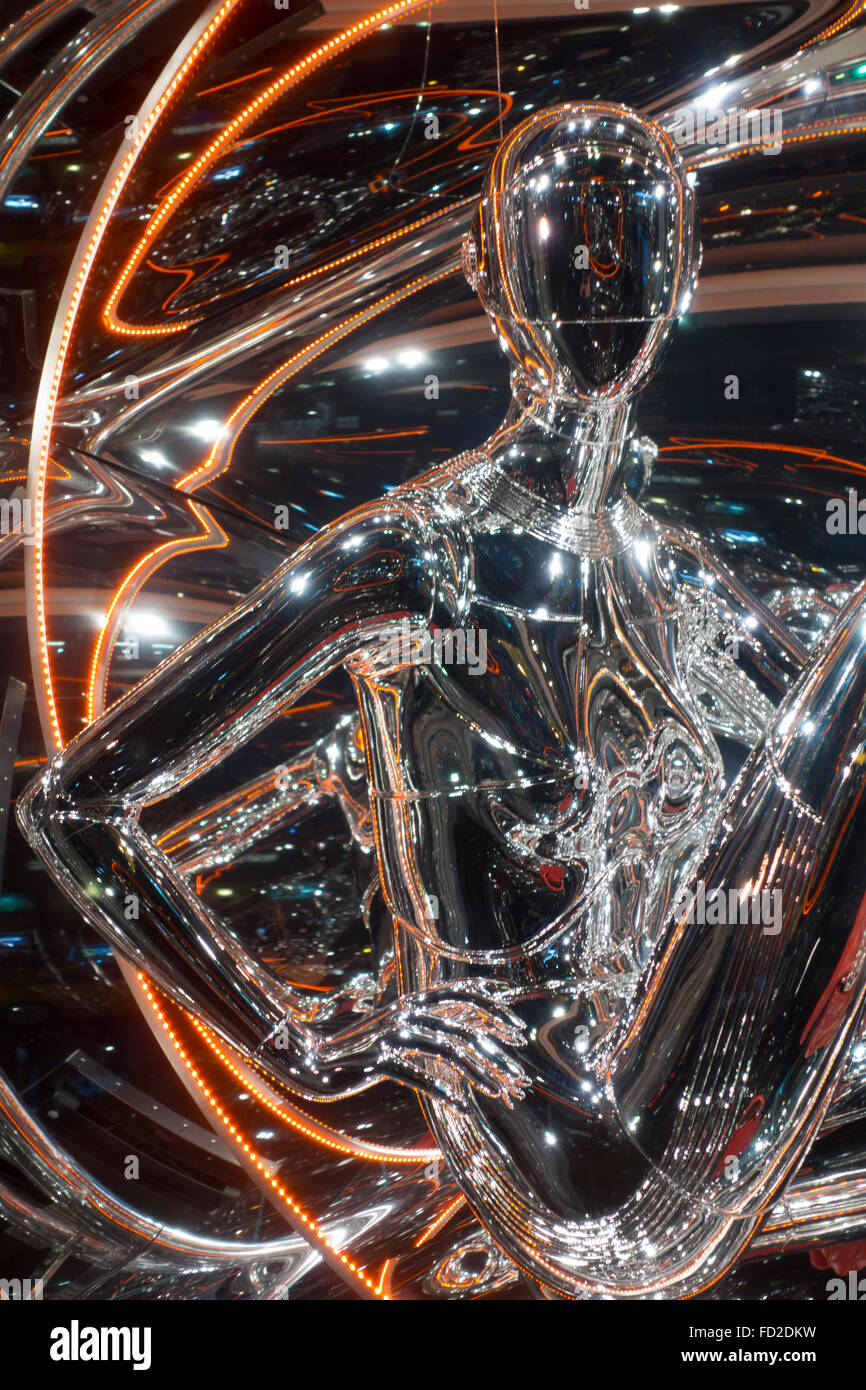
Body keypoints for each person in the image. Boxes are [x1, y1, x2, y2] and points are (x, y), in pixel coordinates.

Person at [20, 102, 866, 1297]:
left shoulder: (675, 576)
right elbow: (77, 809)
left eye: (638, 237)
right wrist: (308, 1043)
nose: (602, 273)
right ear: (489, 266)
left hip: (717, 1091)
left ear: (679, 273)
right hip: (580, 1151)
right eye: (563, 240)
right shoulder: (415, 557)